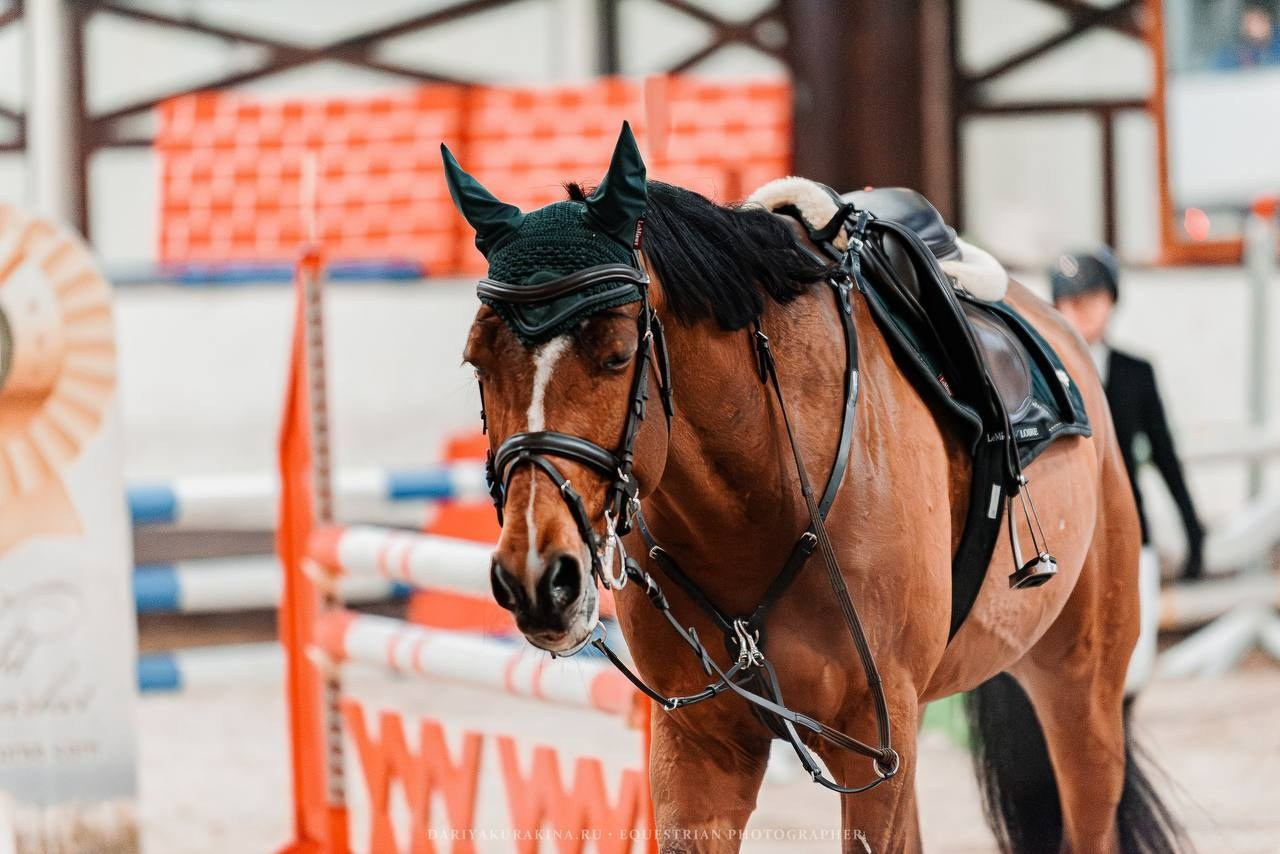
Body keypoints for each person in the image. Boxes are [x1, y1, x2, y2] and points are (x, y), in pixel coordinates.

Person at [1050, 248, 1206, 695]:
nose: (1082, 311)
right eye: (1071, 301)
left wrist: (1192, 528)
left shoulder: (1136, 373)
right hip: (1065, 533)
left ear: (1112, 300)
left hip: (1127, 527)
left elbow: (1164, 455)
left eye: (1092, 298)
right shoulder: (1043, 371)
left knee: (1131, 664)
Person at [1214, 2, 1280, 69]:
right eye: (1250, 22)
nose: (1255, 26)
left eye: (1258, 20)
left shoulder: (1277, 43)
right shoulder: (1232, 51)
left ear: (1270, 21)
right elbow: (1215, 73)